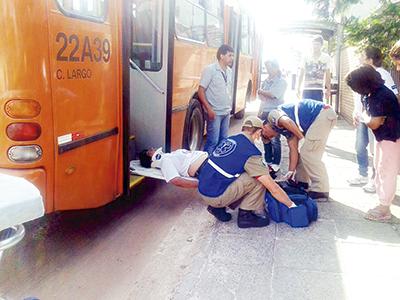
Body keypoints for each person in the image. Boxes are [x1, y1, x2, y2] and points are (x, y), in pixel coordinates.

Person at [197, 116, 296, 228]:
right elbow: (273, 187)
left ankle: (217, 208)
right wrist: (291, 205)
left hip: (203, 189)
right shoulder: (251, 152)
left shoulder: (230, 139)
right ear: (259, 132)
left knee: (240, 173)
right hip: (215, 196)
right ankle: (246, 216)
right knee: (258, 180)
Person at [346, 64, 400, 221]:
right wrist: (365, 116)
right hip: (382, 137)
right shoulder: (371, 94)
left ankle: (384, 209)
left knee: (386, 171)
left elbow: (374, 123)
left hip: (391, 137)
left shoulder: (381, 95)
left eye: (355, 87)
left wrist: (366, 118)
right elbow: (370, 116)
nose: (355, 91)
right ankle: (382, 202)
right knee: (379, 168)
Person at [261, 99, 337, 201]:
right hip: (320, 116)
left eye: (266, 135)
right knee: (303, 152)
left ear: (264, 127)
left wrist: (302, 139)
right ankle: (302, 181)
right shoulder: (285, 130)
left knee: (309, 153)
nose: (270, 137)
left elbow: (287, 121)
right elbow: (293, 150)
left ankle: (320, 190)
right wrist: (290, 171)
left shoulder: (272, 116)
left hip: (322, 114)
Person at [348, 47, 399, 192]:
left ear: (370, 59)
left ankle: (375, 180)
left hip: (376, 119)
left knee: (377, 152)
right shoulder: (360, 74)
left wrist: (382, 116)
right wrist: (356, 112)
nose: (359, 58)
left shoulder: (382, 75)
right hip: (364, 117)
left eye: (362, 56)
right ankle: (363, 174)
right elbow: (361, 97)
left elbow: (392, 97)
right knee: (360, 146)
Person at [198, 44, 234, 155]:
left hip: (226, 112)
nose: (232, 58)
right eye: (230, 55)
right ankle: (204, 166)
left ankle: (217, 167)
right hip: (215, 112)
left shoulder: (229, 71)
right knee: (212, 142)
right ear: (221, 56)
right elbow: (200, 91)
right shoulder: (210, 70)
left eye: (232, 56)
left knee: (223, 141)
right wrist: (209, 109)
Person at [257, 59, 287, 172]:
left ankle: (276, 163)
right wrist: (259, 112)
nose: (268, 70)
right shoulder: (266, 81)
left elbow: (274, 95)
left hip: (275, 112)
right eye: (267, 68)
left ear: (276, 68)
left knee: (275, 138)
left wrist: (261, 91)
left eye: (270, 67)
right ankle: (268, 160)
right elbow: (263, 98)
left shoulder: (281, 82)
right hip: (265, 111)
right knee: (265, 136)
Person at [138, 148, 208, 189]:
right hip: (204, 167)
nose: (152, 148)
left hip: (208, 160)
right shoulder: (164, 162)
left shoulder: (169, 156)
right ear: (151, 160)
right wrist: (202, 184)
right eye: (149, 151)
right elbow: (176, 181)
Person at [297, 35, 332, 102]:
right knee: (305, 109)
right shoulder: (306, 57)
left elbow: (328, 75)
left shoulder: (326, 57)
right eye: (314, 44)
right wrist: (298, 87)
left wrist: (328, 90)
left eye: (317, 44)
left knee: (317, 110)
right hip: (306, 89)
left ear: (321, 45)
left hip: (318, 89)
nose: (315, 46)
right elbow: (301, 73)